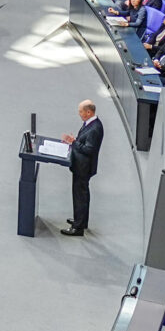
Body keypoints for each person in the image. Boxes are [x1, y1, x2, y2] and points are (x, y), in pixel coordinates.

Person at [63, 97, 103, 235]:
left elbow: (89, 150)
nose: (79, 114)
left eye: (81, 111)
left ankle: (78, 228)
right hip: (81, 165)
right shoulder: (90, 123)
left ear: (88, 112)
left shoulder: (95, 129)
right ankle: (81, 221)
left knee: (80, 196)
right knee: (81, 194)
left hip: (83, 167)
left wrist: (74, 142)